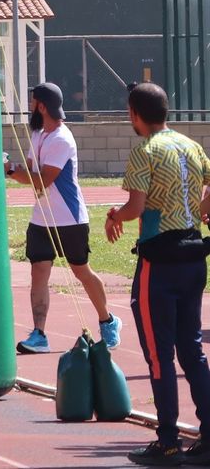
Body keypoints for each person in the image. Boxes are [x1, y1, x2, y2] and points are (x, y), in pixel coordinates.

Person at [103, 82, 210, 466]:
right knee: (192, 350)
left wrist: (114, 215)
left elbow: (135, 206)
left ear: (134, 114)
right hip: (195, 258)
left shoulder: (145, 151)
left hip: (159, 264)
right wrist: (202, 209)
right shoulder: (191, 145)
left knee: (159, 355)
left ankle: (167, 441)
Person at [6, 81, 121, 353]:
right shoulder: (38, 134)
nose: (30, 107)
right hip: (41, 219)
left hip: (70, 219)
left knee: (81, 271)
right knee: (39, 274)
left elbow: (43, 180)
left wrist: (10, 171)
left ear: (42, 106)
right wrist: (13, 167)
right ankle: (39, 334)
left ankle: (108, 320)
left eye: (33, 103)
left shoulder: (61, 138)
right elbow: (31, 172)